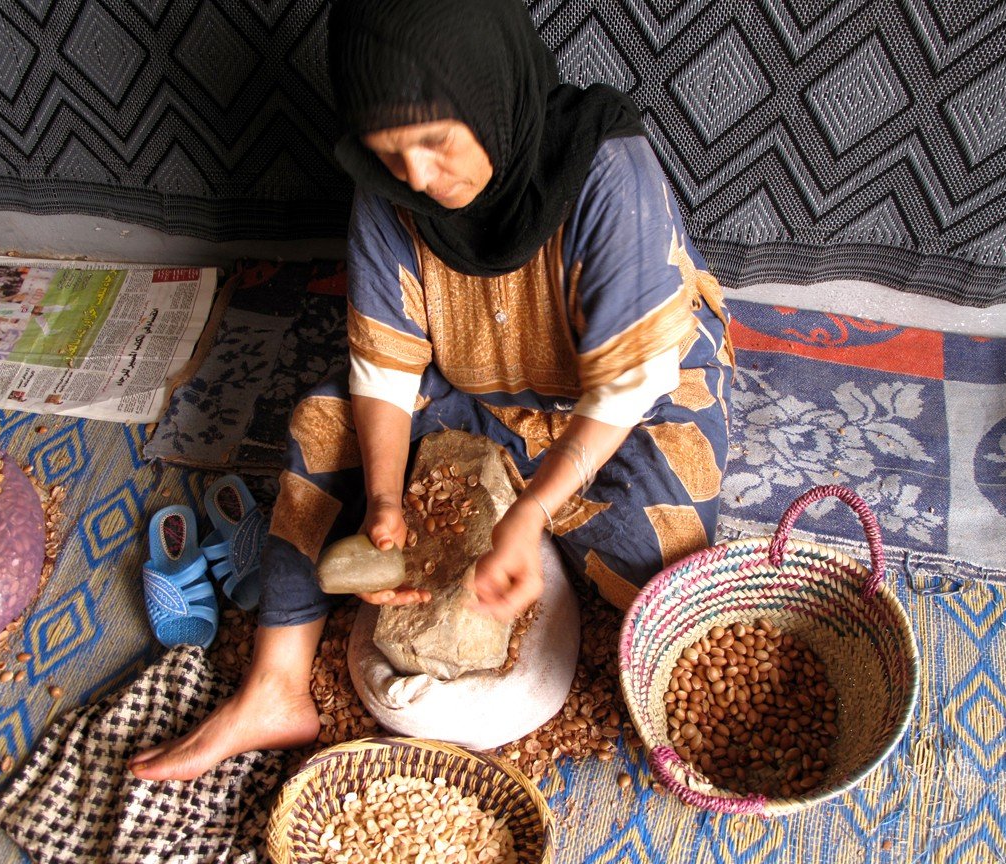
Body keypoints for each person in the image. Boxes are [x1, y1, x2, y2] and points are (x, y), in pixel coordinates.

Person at [129, 0, 733, 782]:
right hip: (472, 385)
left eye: (435, 144)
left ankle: (533, 527)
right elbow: (384, 363)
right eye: (389, 153)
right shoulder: (392, 189)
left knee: (664, 559)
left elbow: (625, 383)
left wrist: (530, 511)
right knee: (323, 422)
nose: (416, 176)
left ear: (493, 102)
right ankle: (276, 688)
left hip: (627, 401)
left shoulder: (609, 176)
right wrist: (384, 499)